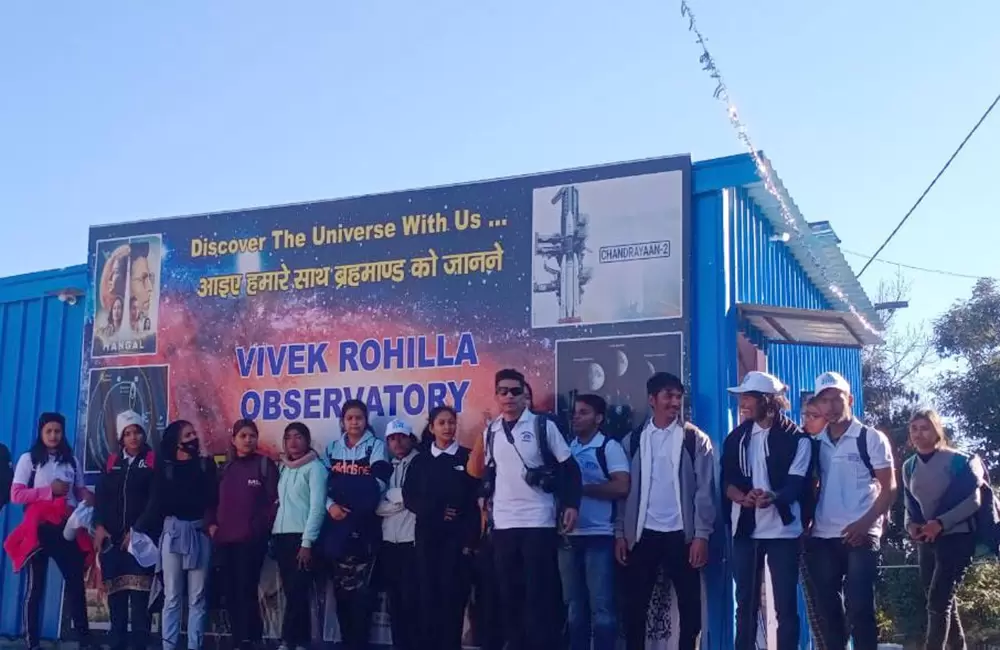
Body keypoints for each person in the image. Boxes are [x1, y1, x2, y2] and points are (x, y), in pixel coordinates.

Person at [615, 372, 716, 650]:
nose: (674, 402)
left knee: (690, 612)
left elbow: (705, 491)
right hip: (642, 535)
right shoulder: (633, 440)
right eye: (668, 396)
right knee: (634, 609)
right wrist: (621, 533)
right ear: (652, 399)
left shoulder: (695, 439)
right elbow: (624, 492)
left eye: (678, 397)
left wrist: (701, 535)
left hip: (682, 536)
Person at [483, 368, 581, 650]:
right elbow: (490, 471)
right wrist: (484, 498)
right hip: (504, 524)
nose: (509, 397)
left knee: (539, 596)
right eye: (503, 391)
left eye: (515, 391)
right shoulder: (491, 431)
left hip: (538, 521)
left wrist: (571, 505)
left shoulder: (542, 425)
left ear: (524, 395)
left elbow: (570, 469)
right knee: (508, 595)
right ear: (496, 395)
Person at [805, 372, 896, 650]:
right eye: (824, 400)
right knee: (829, 612)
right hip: (822, 535)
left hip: (861, 534)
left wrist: (865, 524)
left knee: (860, 607)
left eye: (837, 399)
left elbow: (889, 488)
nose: (831, 406)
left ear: (850, 399)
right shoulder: (815, 443)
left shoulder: (870, 438)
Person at [722, 372, 812, 650]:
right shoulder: (736, 438)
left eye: (748, 397)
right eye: (741, 397)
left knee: (785, 606)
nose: (742, 403)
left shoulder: (798, 439)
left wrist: (773, 497)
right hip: (745, 530)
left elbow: (797, 484)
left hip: (784, 532)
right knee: (745, 604)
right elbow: (725, 481)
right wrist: (742, 497)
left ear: (767, 400)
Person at [8, 412, 96, 650]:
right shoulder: (29, 459)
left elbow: (78, 491)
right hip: (39, 529)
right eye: (49, 431)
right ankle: (32, 642)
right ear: (41, 433)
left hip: (65, 528)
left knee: (75, 583)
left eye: (57, 431)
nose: (53, 435)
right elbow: (16, 495)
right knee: (35, 587)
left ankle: (85, 641)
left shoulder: (71, 461)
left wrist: (87, 496)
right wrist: (49, 491)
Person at [135, 419, 219, 650]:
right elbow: (155, 504)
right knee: (172, 595)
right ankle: (169, 646)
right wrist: (137, 529)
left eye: (194, 434)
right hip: (172, 534)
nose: (193, 439)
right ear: (176, 442)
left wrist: (212, 524)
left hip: (199, 533)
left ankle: (194, 646)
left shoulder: (206, 465)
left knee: (197, 597)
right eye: (187, 435)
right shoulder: (165, 468)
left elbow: (214, 499)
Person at [903, 408, 982, 650]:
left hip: (957, 537)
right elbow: (909, 505)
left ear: (937, 430)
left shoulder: (958, 461)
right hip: (927, 540)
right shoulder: (909, 466)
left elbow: (973, 500)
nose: (918, 434)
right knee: (941, 601)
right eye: (914, 428)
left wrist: (941, 523)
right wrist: (911, 525)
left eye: (924, 428)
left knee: (939, 601)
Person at [405, 406, 481, 650]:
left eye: (451, 422)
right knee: (428, 599)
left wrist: (470, 541)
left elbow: (475, 502)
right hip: (427, 541)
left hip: (458, 543)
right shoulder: (420, 461)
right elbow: (410, 498)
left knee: (453, 599)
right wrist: (435, 511)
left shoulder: (467, 457)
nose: (447, 427)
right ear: (432, 427)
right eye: (442, 423)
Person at [559, 394, 630, 650]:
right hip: (569, 537)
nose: (576, 417)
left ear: (599, 418)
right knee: (573, 606)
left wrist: (581, 489)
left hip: (600, 535)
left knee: (602, 606)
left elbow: (622, 486)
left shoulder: (609, 447)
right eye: (575, 412)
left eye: (584, 412)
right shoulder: (567, 448)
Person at [320, 399, 391, 650]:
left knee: (363, 594)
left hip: (364, 527)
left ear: (365, 420)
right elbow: (322, 485)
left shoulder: (376, 446)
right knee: (341, 592)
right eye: (349, 418)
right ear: (342, 421)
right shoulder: (331, 448)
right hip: (336, 527)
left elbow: (378, 485)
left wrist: (343, 490)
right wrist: (331, 505)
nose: (354, 422)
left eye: (359, 418)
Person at [210, 419, 279, 650]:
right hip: (224, 541)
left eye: (252, 436)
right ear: (234, 440)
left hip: (251, 542)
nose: (248, 440)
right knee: (229, 592)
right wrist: (211, 526)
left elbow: (274, 502)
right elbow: (211, 500)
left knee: (246, 590)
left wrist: (258, 528)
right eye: (243, 436)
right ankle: (237, 639)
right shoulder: (225, 468)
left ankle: (251, 639)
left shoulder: (264, 465)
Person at [93, 411, 157, 650]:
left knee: (140, 605)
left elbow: (155, 500)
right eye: (128, 433)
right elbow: (100, 497)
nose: (133, 437)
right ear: (121, 438)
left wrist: (137, 530)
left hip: (140, 541)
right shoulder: (112, 463)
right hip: (113, 543)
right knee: (116, 604)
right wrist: (99, 526)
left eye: (137, 432)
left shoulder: (152, 461)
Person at [272, 421, 327, 650]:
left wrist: (307, 541)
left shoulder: (315, 468)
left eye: (298, 437)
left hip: (302, 537)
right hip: (281, 536)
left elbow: (317, 507)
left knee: (297, 591)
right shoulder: (283, 468)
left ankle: (288, 640)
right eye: (288, 437)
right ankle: (301, 641)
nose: (293, 442)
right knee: (291, 592)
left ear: (307, 440)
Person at [376, 419, 421, 650]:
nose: (398, 442)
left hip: (412, 542)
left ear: (411, 439)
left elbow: (416, 497)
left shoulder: (421, 463)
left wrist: (393, 496)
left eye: (402, 437)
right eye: (392, 438)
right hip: (389, 543)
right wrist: (400, 499)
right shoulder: (385, 467)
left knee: (412, 601)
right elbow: (376, 505)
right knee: (394, 602)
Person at [798, 395, 828, 650]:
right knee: (814, 602)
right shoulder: (800, 443)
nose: (807, 421)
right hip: (807, 531)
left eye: (814, 416)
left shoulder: (831, 447)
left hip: (836, 531)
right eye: (805, 415)